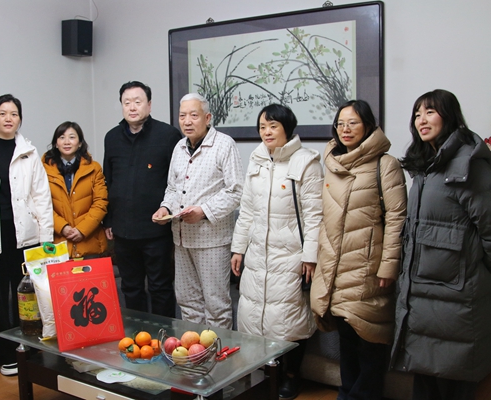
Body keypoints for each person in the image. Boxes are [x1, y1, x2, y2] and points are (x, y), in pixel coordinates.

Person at [391, 89, 491, 400]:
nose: (421, 120)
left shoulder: (469, 163)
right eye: (417, 114)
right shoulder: (424, 166)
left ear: (449, 116)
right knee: (425, 382)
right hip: (421, 297)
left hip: (458, 300)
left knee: (454, 384)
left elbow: (489, 230)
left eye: (430, 112)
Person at [311, 100, 407, 400]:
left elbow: (397, 218)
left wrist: (389, 265)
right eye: (340, 123)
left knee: (370, 339)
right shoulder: (333, 163)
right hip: (334, 267)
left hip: (368, 266)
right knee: (347, 340)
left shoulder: (385, 164)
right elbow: (324, 218)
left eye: (352, 122)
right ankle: (346, 393)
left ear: (368, 125)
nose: (345, 129)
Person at [230, 104, 323, 399]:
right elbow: (246, 211)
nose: (266, 132)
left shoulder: (307, 162)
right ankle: (266, 373)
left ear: (287, 128)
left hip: (291, 255)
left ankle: (291, 376)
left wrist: (310, 256)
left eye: (273, 126)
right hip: (258, 253)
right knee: (256, 314)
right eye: (262, 127)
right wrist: (238, 248)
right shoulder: (256, 159)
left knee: (289, 318)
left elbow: (315, 216)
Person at [0, 94, 53, 376]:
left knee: (28, 297)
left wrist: (46, 239)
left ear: (20, 119)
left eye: (14, 114)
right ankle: (4, 356)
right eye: (3, 113)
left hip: (25, 236)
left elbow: (42, 197)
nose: (9, 118)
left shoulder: (29, 152)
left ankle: (28, 350)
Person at [152, 93, 244, 329]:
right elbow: (173, 188)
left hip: (212, 240)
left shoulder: (224, 144)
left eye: (194, 115)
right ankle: (194, 349)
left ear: (207, 118)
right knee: (188, 302)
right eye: (182, 116)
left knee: (216, 305)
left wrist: (203, 211)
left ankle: (218, 351)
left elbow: (236, 191)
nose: (187, 121)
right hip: (182, 239)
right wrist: (165, 207)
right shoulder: (179, 147)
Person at [103, 81, 181, 317]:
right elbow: (108, 180)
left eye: (138, 102)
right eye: (127, 102)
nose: (132, 107)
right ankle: (138, 336)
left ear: (149, 104)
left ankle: (163, 335)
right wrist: (108, 220)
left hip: (156, 230)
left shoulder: (168, 135)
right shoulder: (112, 137)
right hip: (123, 231)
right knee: (131, 288)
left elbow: (177, 182)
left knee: (160, 288)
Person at [42, 121, 108, 258]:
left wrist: (82, 230)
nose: (67, 142)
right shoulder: (43, 170)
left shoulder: (94, 168)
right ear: (56, 143)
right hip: (58, 244)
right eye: (62, 137)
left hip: (90, 243)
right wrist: (62, 227)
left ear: (80, 143)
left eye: (72, 137)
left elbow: (101, 202)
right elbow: (41, 204)